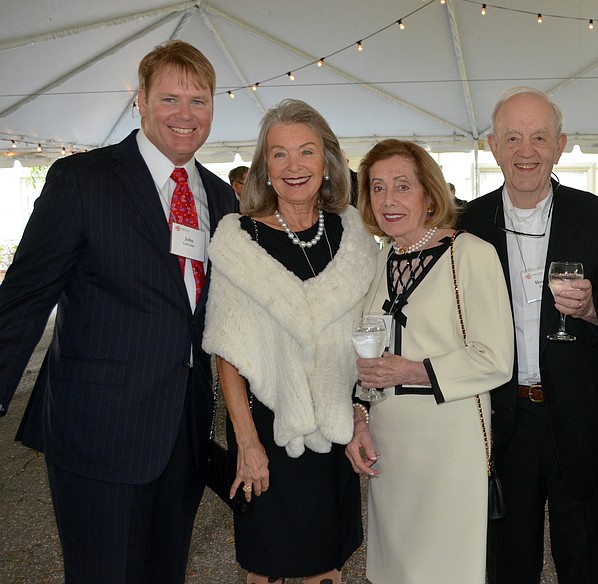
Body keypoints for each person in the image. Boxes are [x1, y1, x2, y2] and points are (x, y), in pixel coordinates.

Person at [0, 40, 237, 582]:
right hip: (98, 434)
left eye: (198, 101)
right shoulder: (82, 181)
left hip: (183, 432)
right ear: (141, 100)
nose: (185, 115)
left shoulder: (221, 200)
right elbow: (24, 298)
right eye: (170, 98)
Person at [459, 86, 598, 583]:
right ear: (493, 146)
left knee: (586, 562)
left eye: (539, 137)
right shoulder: (465, 225)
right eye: (513, 138)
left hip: (584, 418)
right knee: (506, 564)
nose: (527, 151)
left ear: (560, 145)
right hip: (501, 423)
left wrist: (590, 309)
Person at [202, 99, 376, 584]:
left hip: (334, 433)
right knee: (267, 569)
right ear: (264, 167)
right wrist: (247, 443)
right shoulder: (240, 240)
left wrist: (361, 412)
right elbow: (227, 353)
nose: (294, 166)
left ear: (328, 162)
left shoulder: (354, 234)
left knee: (326, 569)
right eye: (279, 154)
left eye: (307, 152)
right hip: (268, 436)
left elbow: (372, 334)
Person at [345, 139, 514, 583]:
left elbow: (496, 358)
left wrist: (413, 370)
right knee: (396, 569)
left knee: (444, 568)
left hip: (449, 447)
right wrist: (360, 419)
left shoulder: (471, 254)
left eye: (402, 186)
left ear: (429, 194)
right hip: (390, 448)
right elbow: (368, 359)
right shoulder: (382, 260)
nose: (388, 200)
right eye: (377, 188)